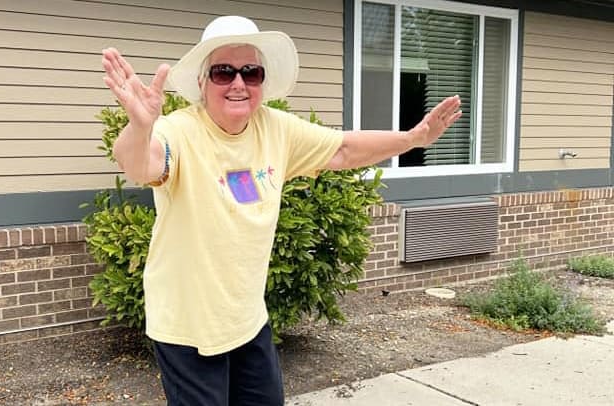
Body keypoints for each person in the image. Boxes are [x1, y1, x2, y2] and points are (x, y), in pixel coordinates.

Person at [101, 15, 461, 406]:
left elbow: (342, 149)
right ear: (203, 83)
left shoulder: (275, 128)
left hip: (247, 319)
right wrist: (140, 127)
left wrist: (413, 138)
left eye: (250, 73)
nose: (238, 83)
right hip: (187, 327)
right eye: (224, 72)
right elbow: (141, 165)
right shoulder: (179, 130)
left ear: (261, 82)